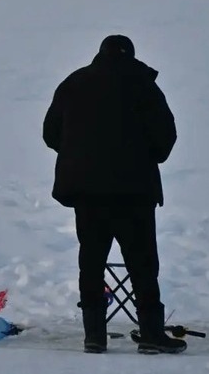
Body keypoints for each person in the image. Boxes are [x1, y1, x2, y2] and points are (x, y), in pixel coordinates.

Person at [42, 35, 185, 355]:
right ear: (131, 56)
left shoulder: (74, 83)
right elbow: (165, 137)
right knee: (142, 264)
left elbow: (50, 133)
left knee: (91, 262)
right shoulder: (144, 86)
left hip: (87, 193)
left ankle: (94, 336)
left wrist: (79, 155)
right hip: (134, 193)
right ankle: (150, 334)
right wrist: (145, 157)